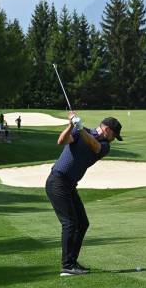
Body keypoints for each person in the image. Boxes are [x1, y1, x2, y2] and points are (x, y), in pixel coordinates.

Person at [45, 112, 122, 277]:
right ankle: (67, 266)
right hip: (57, 182)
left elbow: (95, 146)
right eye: (115, 135)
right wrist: (72, 125)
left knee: (82, 223)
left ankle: (72, 262)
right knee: (70, 223)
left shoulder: (104, 146)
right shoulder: (80, 132)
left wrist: (80, 129)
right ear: (107, 130)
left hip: (70, 185)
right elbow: (61, 141)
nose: (114, 139)